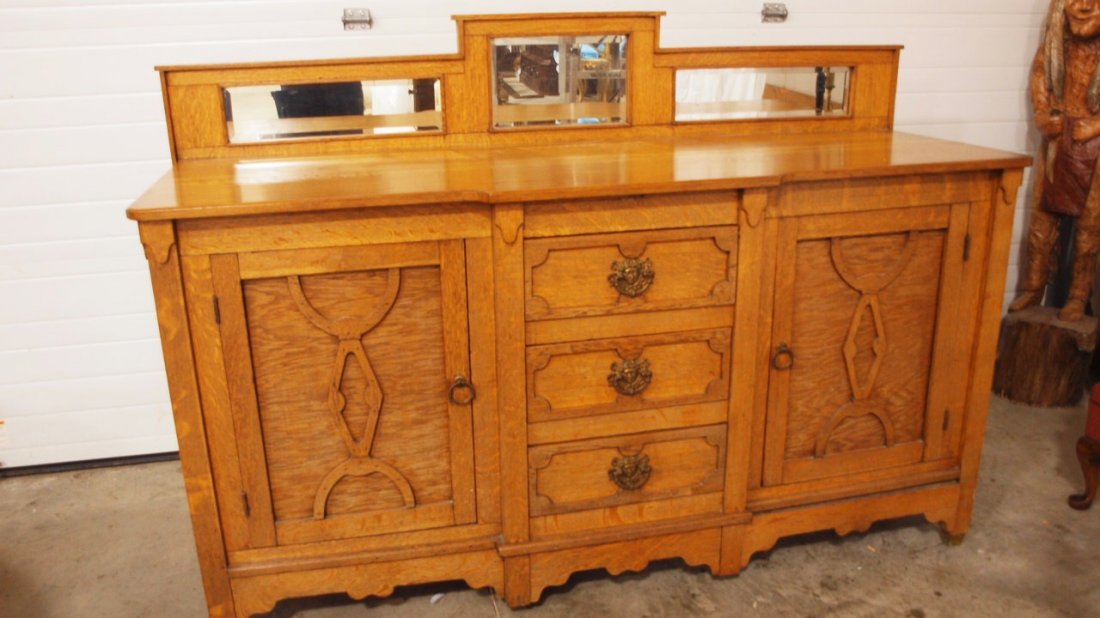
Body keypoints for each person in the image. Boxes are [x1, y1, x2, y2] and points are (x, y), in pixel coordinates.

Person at [1012, 0, 1100, 321]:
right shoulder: (1055, 47)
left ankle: (1077, 295)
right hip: (1058, 139)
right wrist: (1042, 114)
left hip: (1094, 146)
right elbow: (1040, 78)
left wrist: (1095, 126)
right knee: (1042, 218)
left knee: (1090, 228)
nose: (1084, 6)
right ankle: (1032, 287)